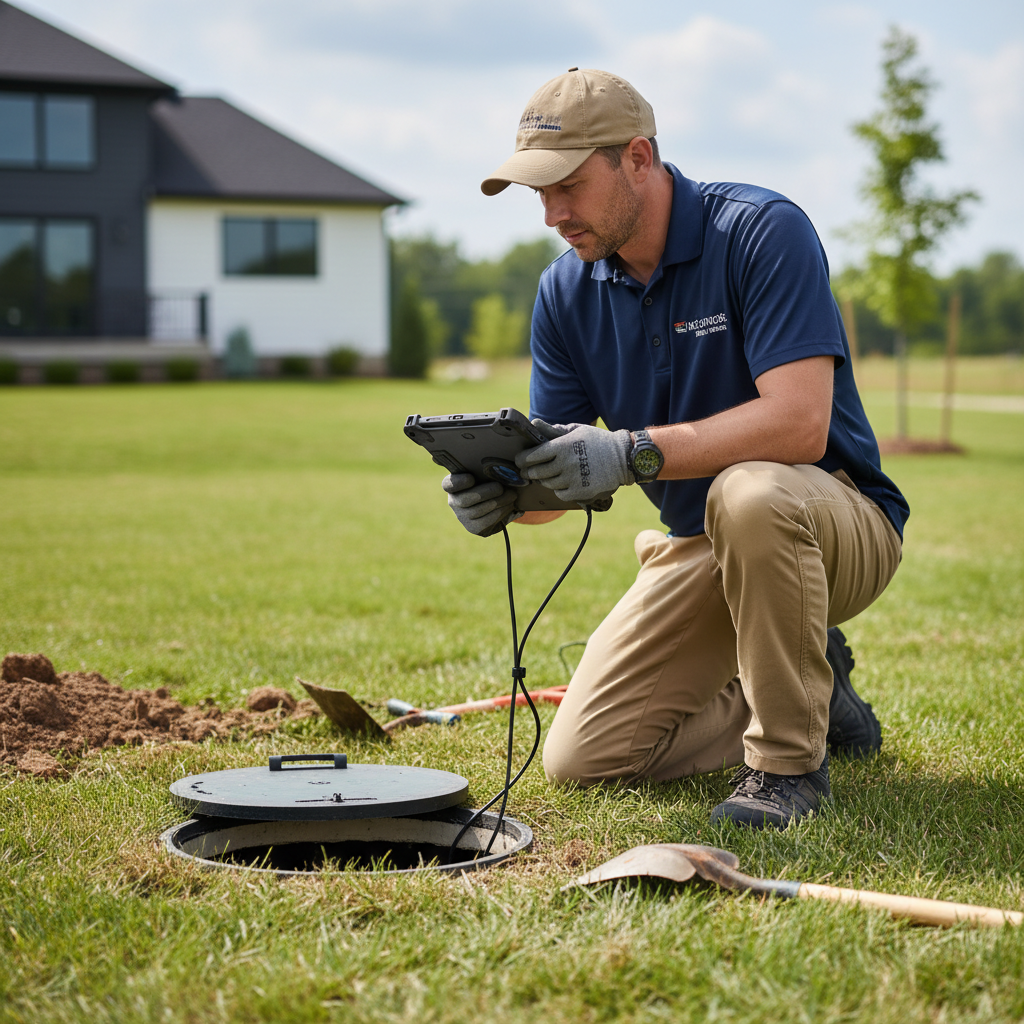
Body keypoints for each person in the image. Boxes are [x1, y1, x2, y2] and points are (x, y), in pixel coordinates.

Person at [443, 68, 907, 829]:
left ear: (637, 157)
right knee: (583, 759)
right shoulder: (566, 292)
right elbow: (559, 478)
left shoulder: (760, 231)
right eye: (539, 193)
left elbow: (799, 427)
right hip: (703, 546)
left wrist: (632, 452)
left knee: (750, 492)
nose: (553, 214)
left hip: (835, 524)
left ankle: (788, 768)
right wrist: (501, 496)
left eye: (567, 185)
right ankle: (816, 690)